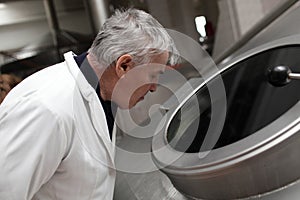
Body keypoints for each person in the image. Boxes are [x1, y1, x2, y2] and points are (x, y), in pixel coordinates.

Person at [0, 8, 178, 200]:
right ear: (124, 66)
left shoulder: (101, 97)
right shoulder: (47, 108)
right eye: (153, 75)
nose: (154, 87)